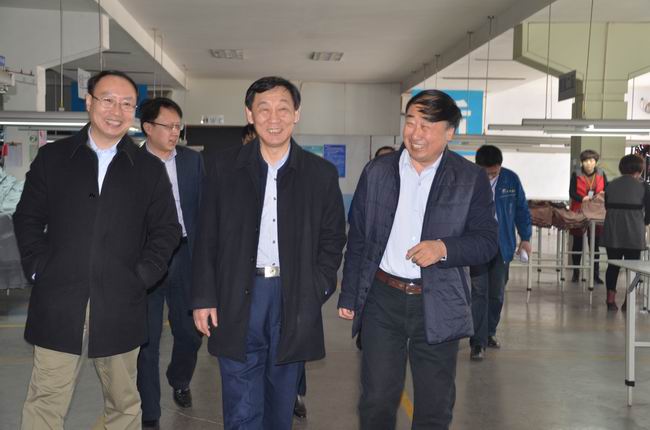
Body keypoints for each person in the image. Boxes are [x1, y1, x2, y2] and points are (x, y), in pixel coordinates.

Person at [14, 70, 181, 430]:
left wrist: (143, 276)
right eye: (108, 100)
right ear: (89, 102)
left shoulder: (148, 169)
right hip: (59, 300)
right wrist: (39, 267)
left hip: (121, 303)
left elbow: (167, 230)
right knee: (45, 400)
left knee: (123, 403)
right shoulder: (53, 158)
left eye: (126, 104)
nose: (116, 111)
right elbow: (27, 218)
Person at [192, 76, 347, 430]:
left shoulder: (320, 174)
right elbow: (206, 236)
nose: (273, 118)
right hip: (236, 293)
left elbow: (332, 238)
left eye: (283, 109)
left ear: (297, 114)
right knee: (241, 404)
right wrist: (204, 297)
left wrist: (315, 287)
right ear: (250, 114)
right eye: (263, 109)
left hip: (292, 296)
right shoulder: (221, 167)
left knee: (281, 401)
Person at [338, 89, 498, 430]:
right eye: (410, 122)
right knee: (376, 399)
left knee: (435, 405)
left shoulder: (470, 179)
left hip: (439, 299)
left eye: (427, 125)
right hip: (383, 299)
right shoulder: (377, 172)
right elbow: (360, 238)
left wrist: (443, 248)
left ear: (449, 132)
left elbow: (487, 243)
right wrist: (350, 294)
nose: (415, 133)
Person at [136, 97, 204, 429]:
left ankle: (180, 378)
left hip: (186, 254)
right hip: (146, 257)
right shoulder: (130, 163)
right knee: (146, 338)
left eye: (178, 126)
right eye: (168, 126)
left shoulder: (193, 161)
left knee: (190, 331)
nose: (175, 132)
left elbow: (205, 209)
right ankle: (150, 412)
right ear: (148, 128)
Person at [468, 145, 532, 360]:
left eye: (494, 172)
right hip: (476, 245)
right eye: (486, 173)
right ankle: (477, 342)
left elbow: (522, 209)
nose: (490, 176)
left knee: (496, 293)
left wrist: (525, 238)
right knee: (479, 292)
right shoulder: (469, 180)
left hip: (502, 245)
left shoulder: (510, 180)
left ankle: (489, 333)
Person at [602, 154, 650, 311]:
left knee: (613, 265)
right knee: (633, 267)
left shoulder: (610, 185)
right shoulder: (644, 187)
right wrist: (643, 223)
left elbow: (607, 205)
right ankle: (628, 301)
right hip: (634, 231)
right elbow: (649, 212)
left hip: (613, 230)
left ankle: (610, 299)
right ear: (640, 169)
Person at [569, 149, 607, 283]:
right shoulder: (576, 174)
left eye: (591, 160)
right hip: (579, 210)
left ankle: (595, 274)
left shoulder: (601, 173)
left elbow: (606, 190)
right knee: (577, 243)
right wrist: (582, 198)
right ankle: (576, 272)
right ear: (582, 162)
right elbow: (572, 192)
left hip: (596, 212)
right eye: (585, 161)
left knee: (595, 245)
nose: (589, 163)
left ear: (596, 162)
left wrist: (601, 195)